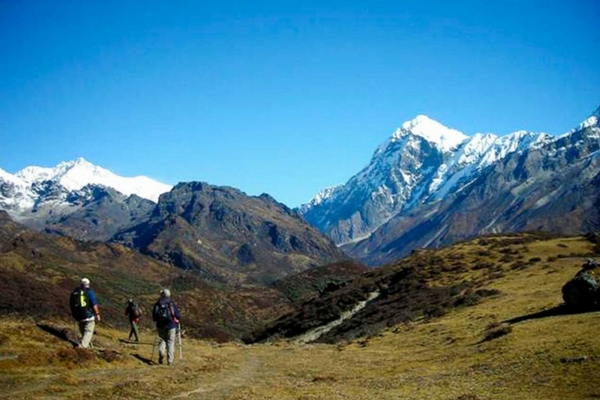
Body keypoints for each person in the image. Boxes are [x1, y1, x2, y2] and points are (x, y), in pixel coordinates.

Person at [152, 289, 181, 365]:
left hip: (161, 326)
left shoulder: (157, 304)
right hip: (171, 325)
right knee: (170, 342)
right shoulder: (171, 303)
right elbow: (178, 315)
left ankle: (161, 353)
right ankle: (170, 361)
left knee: (162, 340)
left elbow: (154, 317)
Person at [70, 277, 100, 348]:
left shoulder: (76, 291)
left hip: (79, 316)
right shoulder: (89, 292)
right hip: (88, 315)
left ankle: (88, 346)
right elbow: (94, 304)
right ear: (88, 284)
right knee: (88, 331)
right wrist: (97, 314)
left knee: (84, 331)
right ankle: (82, 347)